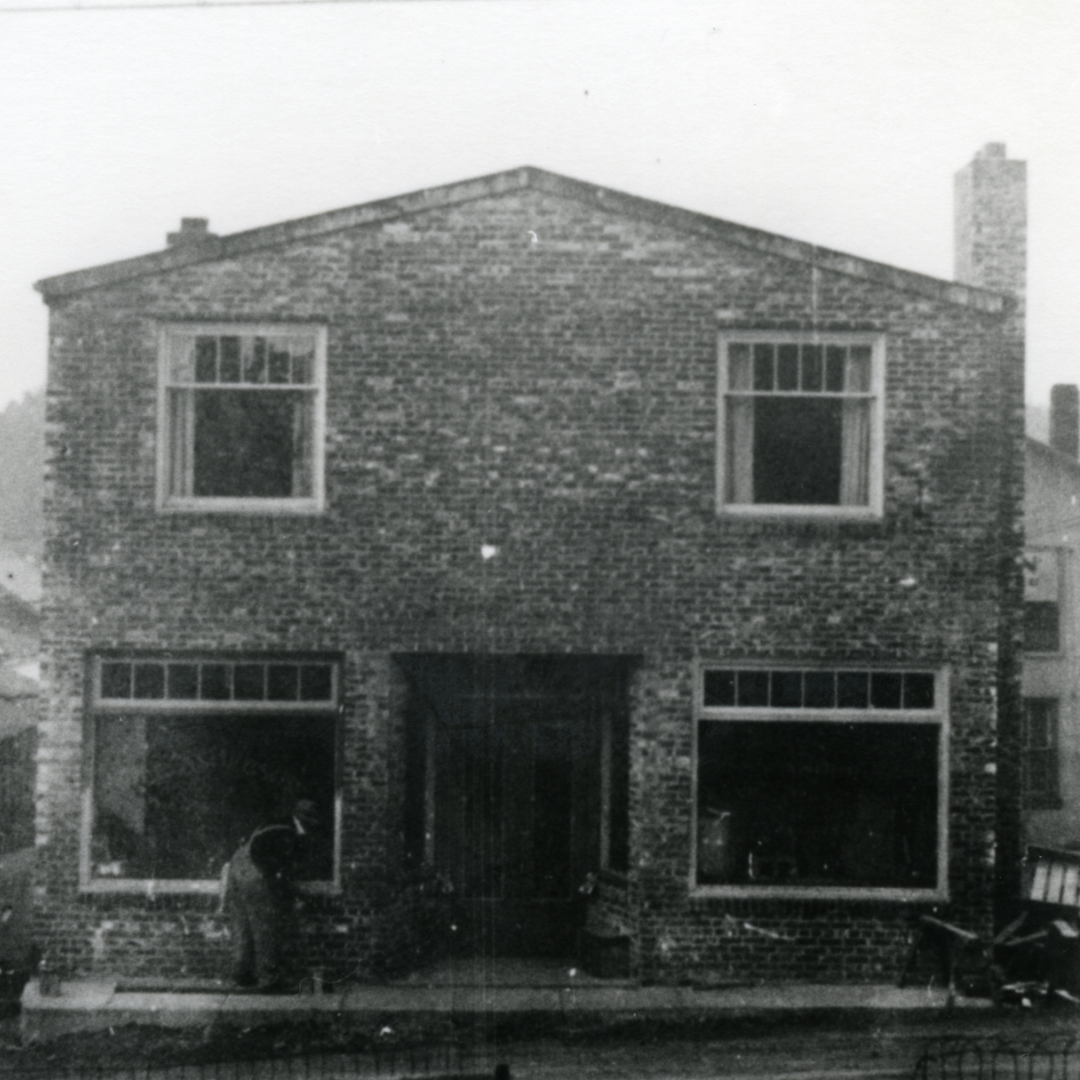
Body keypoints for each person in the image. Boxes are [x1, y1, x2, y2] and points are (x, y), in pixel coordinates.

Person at [226, 799, 319, 992]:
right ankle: (269, 980)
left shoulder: (279, 823)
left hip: (237, 866)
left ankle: (241, 975)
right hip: (254, 870)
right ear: (305, 819)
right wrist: (294, 895)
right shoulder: (287, 832)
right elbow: (275, 869)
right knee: (264, 926)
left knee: (243, 925)